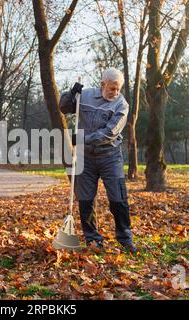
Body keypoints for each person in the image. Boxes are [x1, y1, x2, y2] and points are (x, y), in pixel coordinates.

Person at [59, 67, 137, 254]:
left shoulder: (121, 105)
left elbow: (111, 132)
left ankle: (125, 238)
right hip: (85, 157)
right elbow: (64, 108)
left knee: (118, 199)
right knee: (85, 200)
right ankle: (93, 240)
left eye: (118, 89)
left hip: (110, 156)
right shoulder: (84, 96)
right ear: (103, 85)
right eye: (112, 88)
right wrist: (71, 93)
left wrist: (82, 139)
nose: (115, 93)